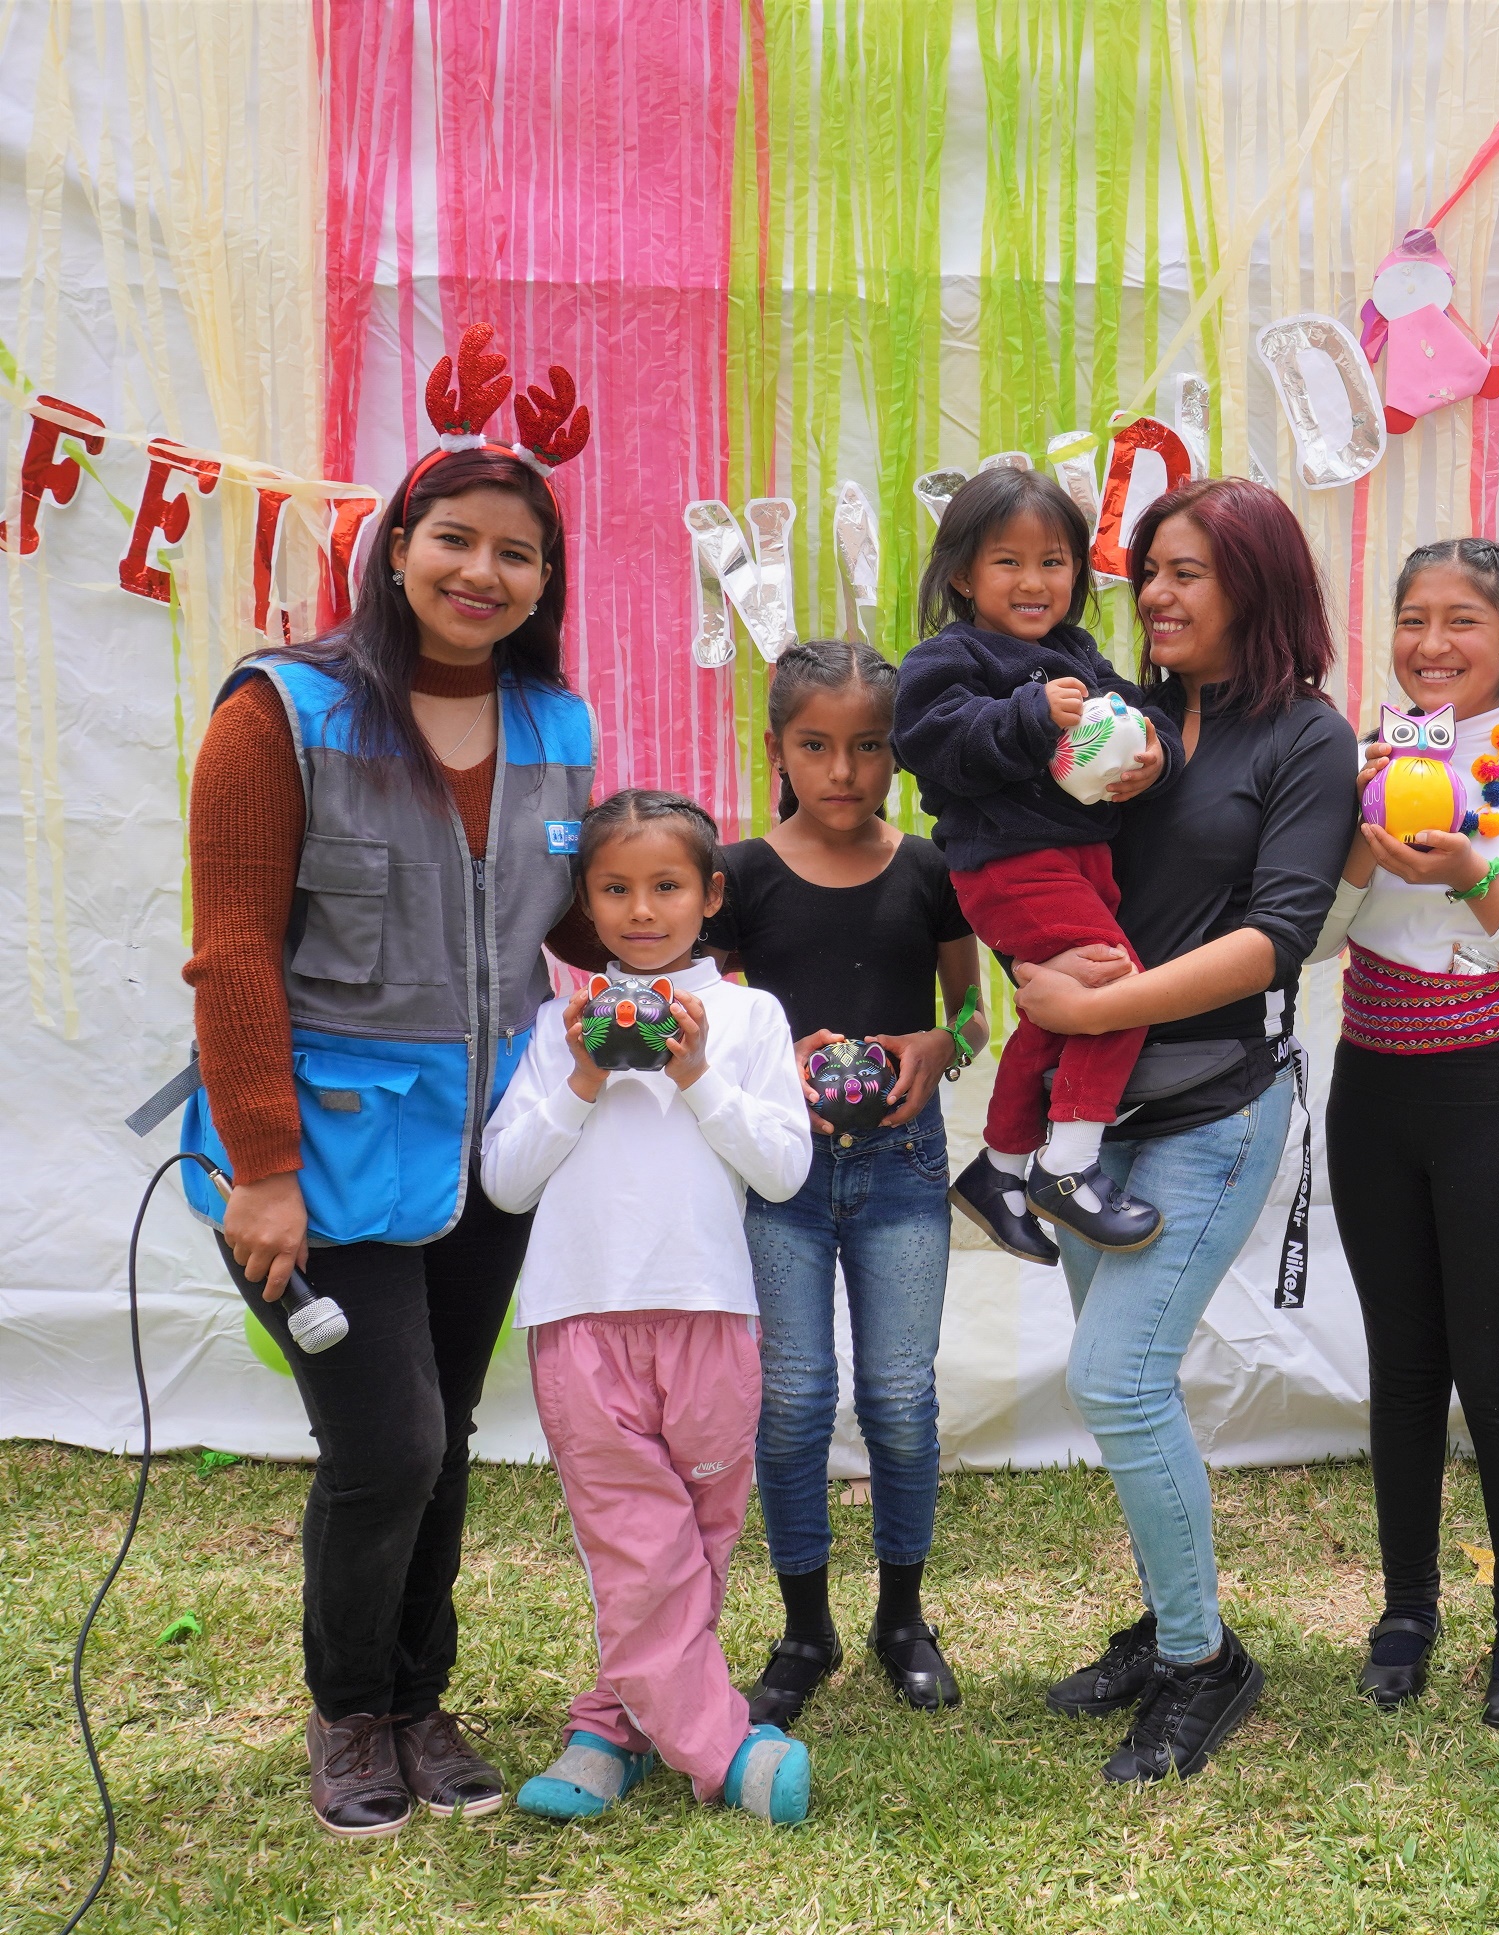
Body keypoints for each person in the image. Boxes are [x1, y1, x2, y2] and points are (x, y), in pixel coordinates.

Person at [176, 336, 601, 1837]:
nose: (481, 572)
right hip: (323, 1156)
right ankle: (350, 1708)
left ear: (547, 578)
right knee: (389, 1441)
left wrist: (718, 955)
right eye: (454, 540)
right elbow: (230, 951)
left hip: (491, 1152)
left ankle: (424, 1697)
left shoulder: (559, 726)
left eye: (516, 552)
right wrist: (263, 1167)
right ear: (395, 548)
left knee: (450, 1433)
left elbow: (576, 917)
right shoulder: (281, 711)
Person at [1004, 478, 1358, 1782]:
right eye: (1146, 568)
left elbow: (1278, 934)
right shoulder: (1123, 718)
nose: (1153, 590)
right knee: (1122, 1381)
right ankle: (1171, 1622)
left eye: (1188, 570)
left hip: (1216, 1104)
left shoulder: (1307, 739)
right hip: (1088, 1116)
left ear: (1255, 585)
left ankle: (1205, 1663)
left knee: (1113, 1376)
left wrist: (1096, 997)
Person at [1307, 538, 1499, 1731]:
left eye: (1464, 624)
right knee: (1400, 1369)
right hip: (1375, 1085)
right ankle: (1404, 1610)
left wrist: (1478, 875)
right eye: (1412, 619)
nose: (1433, 646)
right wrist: (1352, 835)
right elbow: (1321, 941)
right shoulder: (1369, 764)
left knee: (1497, 1369)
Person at [481, 789, 815, 1826]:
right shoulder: (556, 1030)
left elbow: (784, 1172)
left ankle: (608, 1728)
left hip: (712, 1313)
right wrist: (582, 1076)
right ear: (585, 904)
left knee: (696, 1540)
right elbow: (505, 1181)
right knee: (635, 1541)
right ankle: (724, 1754)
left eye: (664, 886)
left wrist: (698, 1071)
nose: (640, 910)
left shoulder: (752, 1019)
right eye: (614, 890)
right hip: (581, 1318)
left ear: (709, 896)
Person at [709, 639, 988, 1726]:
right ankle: (805, 1627)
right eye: (816, 747)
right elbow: (712, 1030)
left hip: (902, 1166)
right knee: (793, 1402)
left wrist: (937, 1043)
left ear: (898, 756)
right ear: (777, 747)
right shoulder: (739, 876)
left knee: (899, 1401)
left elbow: (972, 1015)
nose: (843, 772)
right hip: (778, 1173)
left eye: (869, 748)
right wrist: (768, 1064)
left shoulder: (927, 869)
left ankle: (903, 1619)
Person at [892, 467, 1176, 1259]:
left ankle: (1001, 1167)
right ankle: (1068, 1167)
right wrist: (1025, 712)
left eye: (1053, 562)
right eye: (1007, 562)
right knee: (1122, 991)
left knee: (1059, 1012)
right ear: (961, 575)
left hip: (1079, 863)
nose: (1033, 580)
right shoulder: (944, 659)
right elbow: (933, 742)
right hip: (1012, 866)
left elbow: (1144, 712)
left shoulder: (1076, 651)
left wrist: (1159, 756)